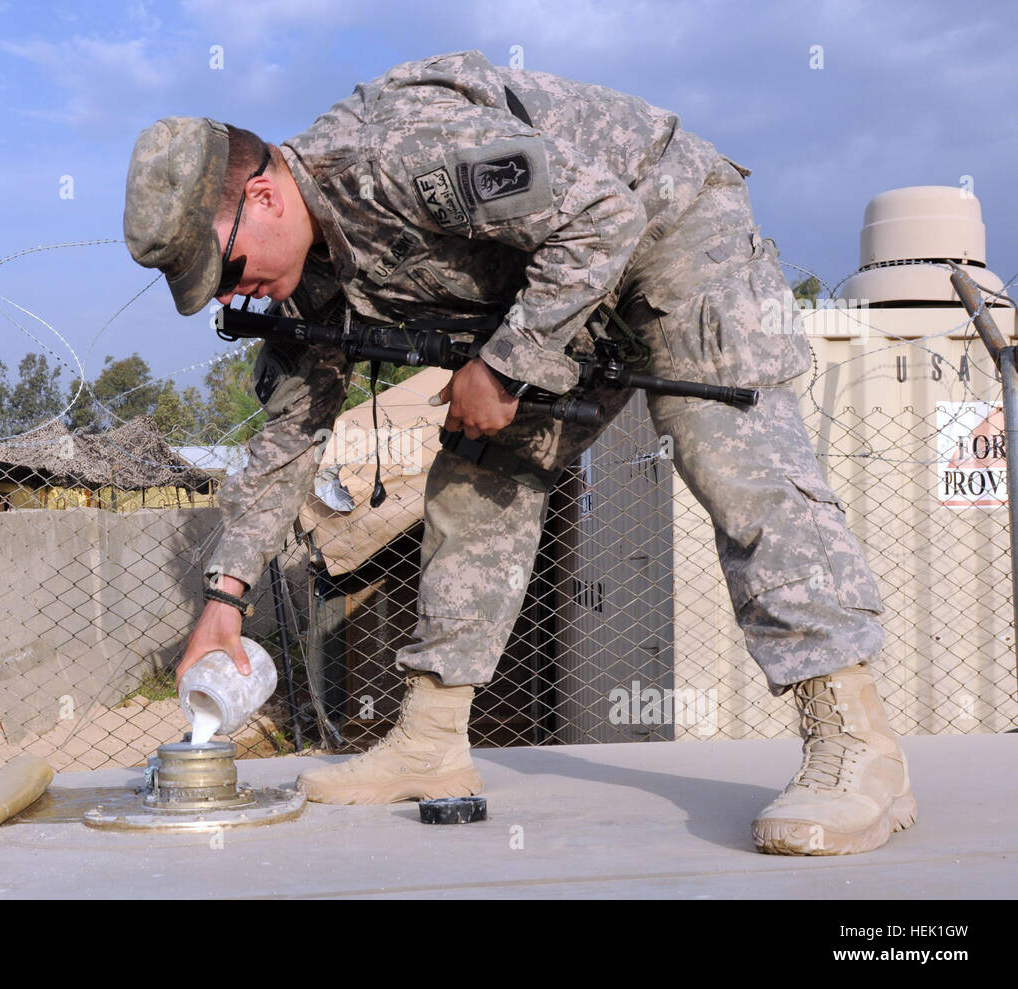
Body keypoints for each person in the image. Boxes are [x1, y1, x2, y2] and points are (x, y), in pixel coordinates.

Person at [123, 50, 916, 855]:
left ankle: (858, 746)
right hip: (561, 284)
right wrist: (225, 598)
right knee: (478, 473)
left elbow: (603, 216)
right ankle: (432, 741)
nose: (228, 295)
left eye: (221, 267)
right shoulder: (310, 274)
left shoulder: (399, 154)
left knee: (729, 457)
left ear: (263, 195)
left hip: (670, 228)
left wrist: (502, 368)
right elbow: (289, 436)